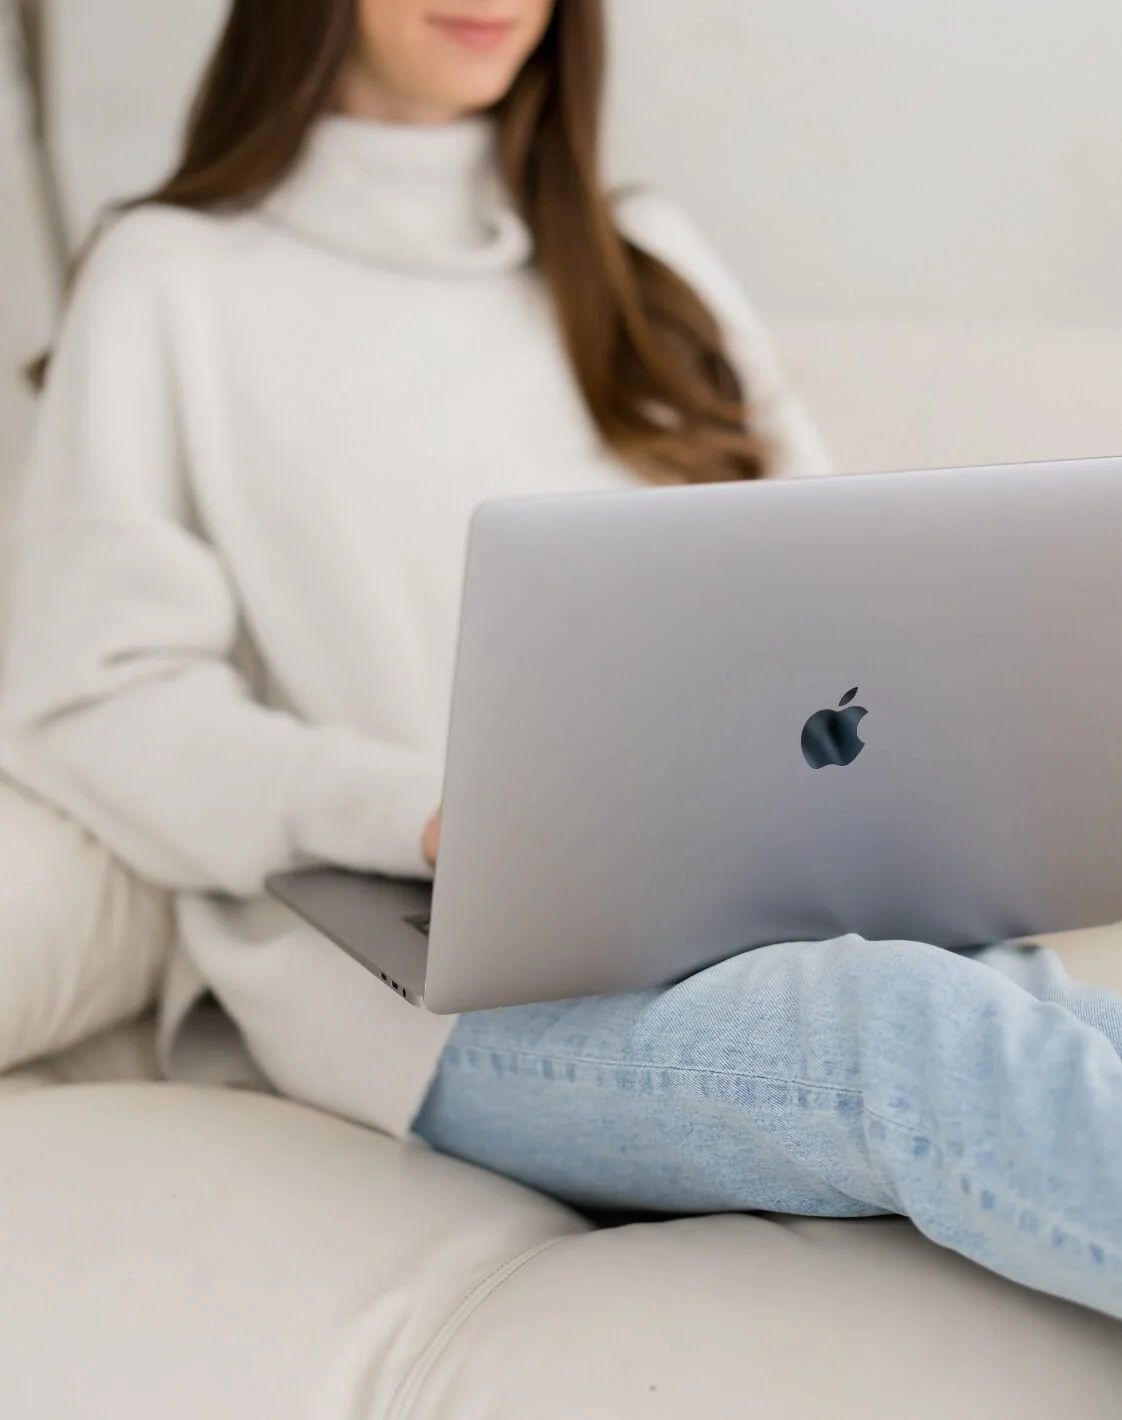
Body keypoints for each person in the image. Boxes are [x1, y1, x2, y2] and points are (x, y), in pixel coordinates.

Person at [2, 0, 1121, 1321]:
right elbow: (92, 696)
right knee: (905, 1038)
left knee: (1021, 1017)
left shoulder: (643, 252)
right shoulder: (169, 277)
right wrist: (408, 808)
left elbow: (839, 600)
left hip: (759, 895)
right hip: (436, 989)